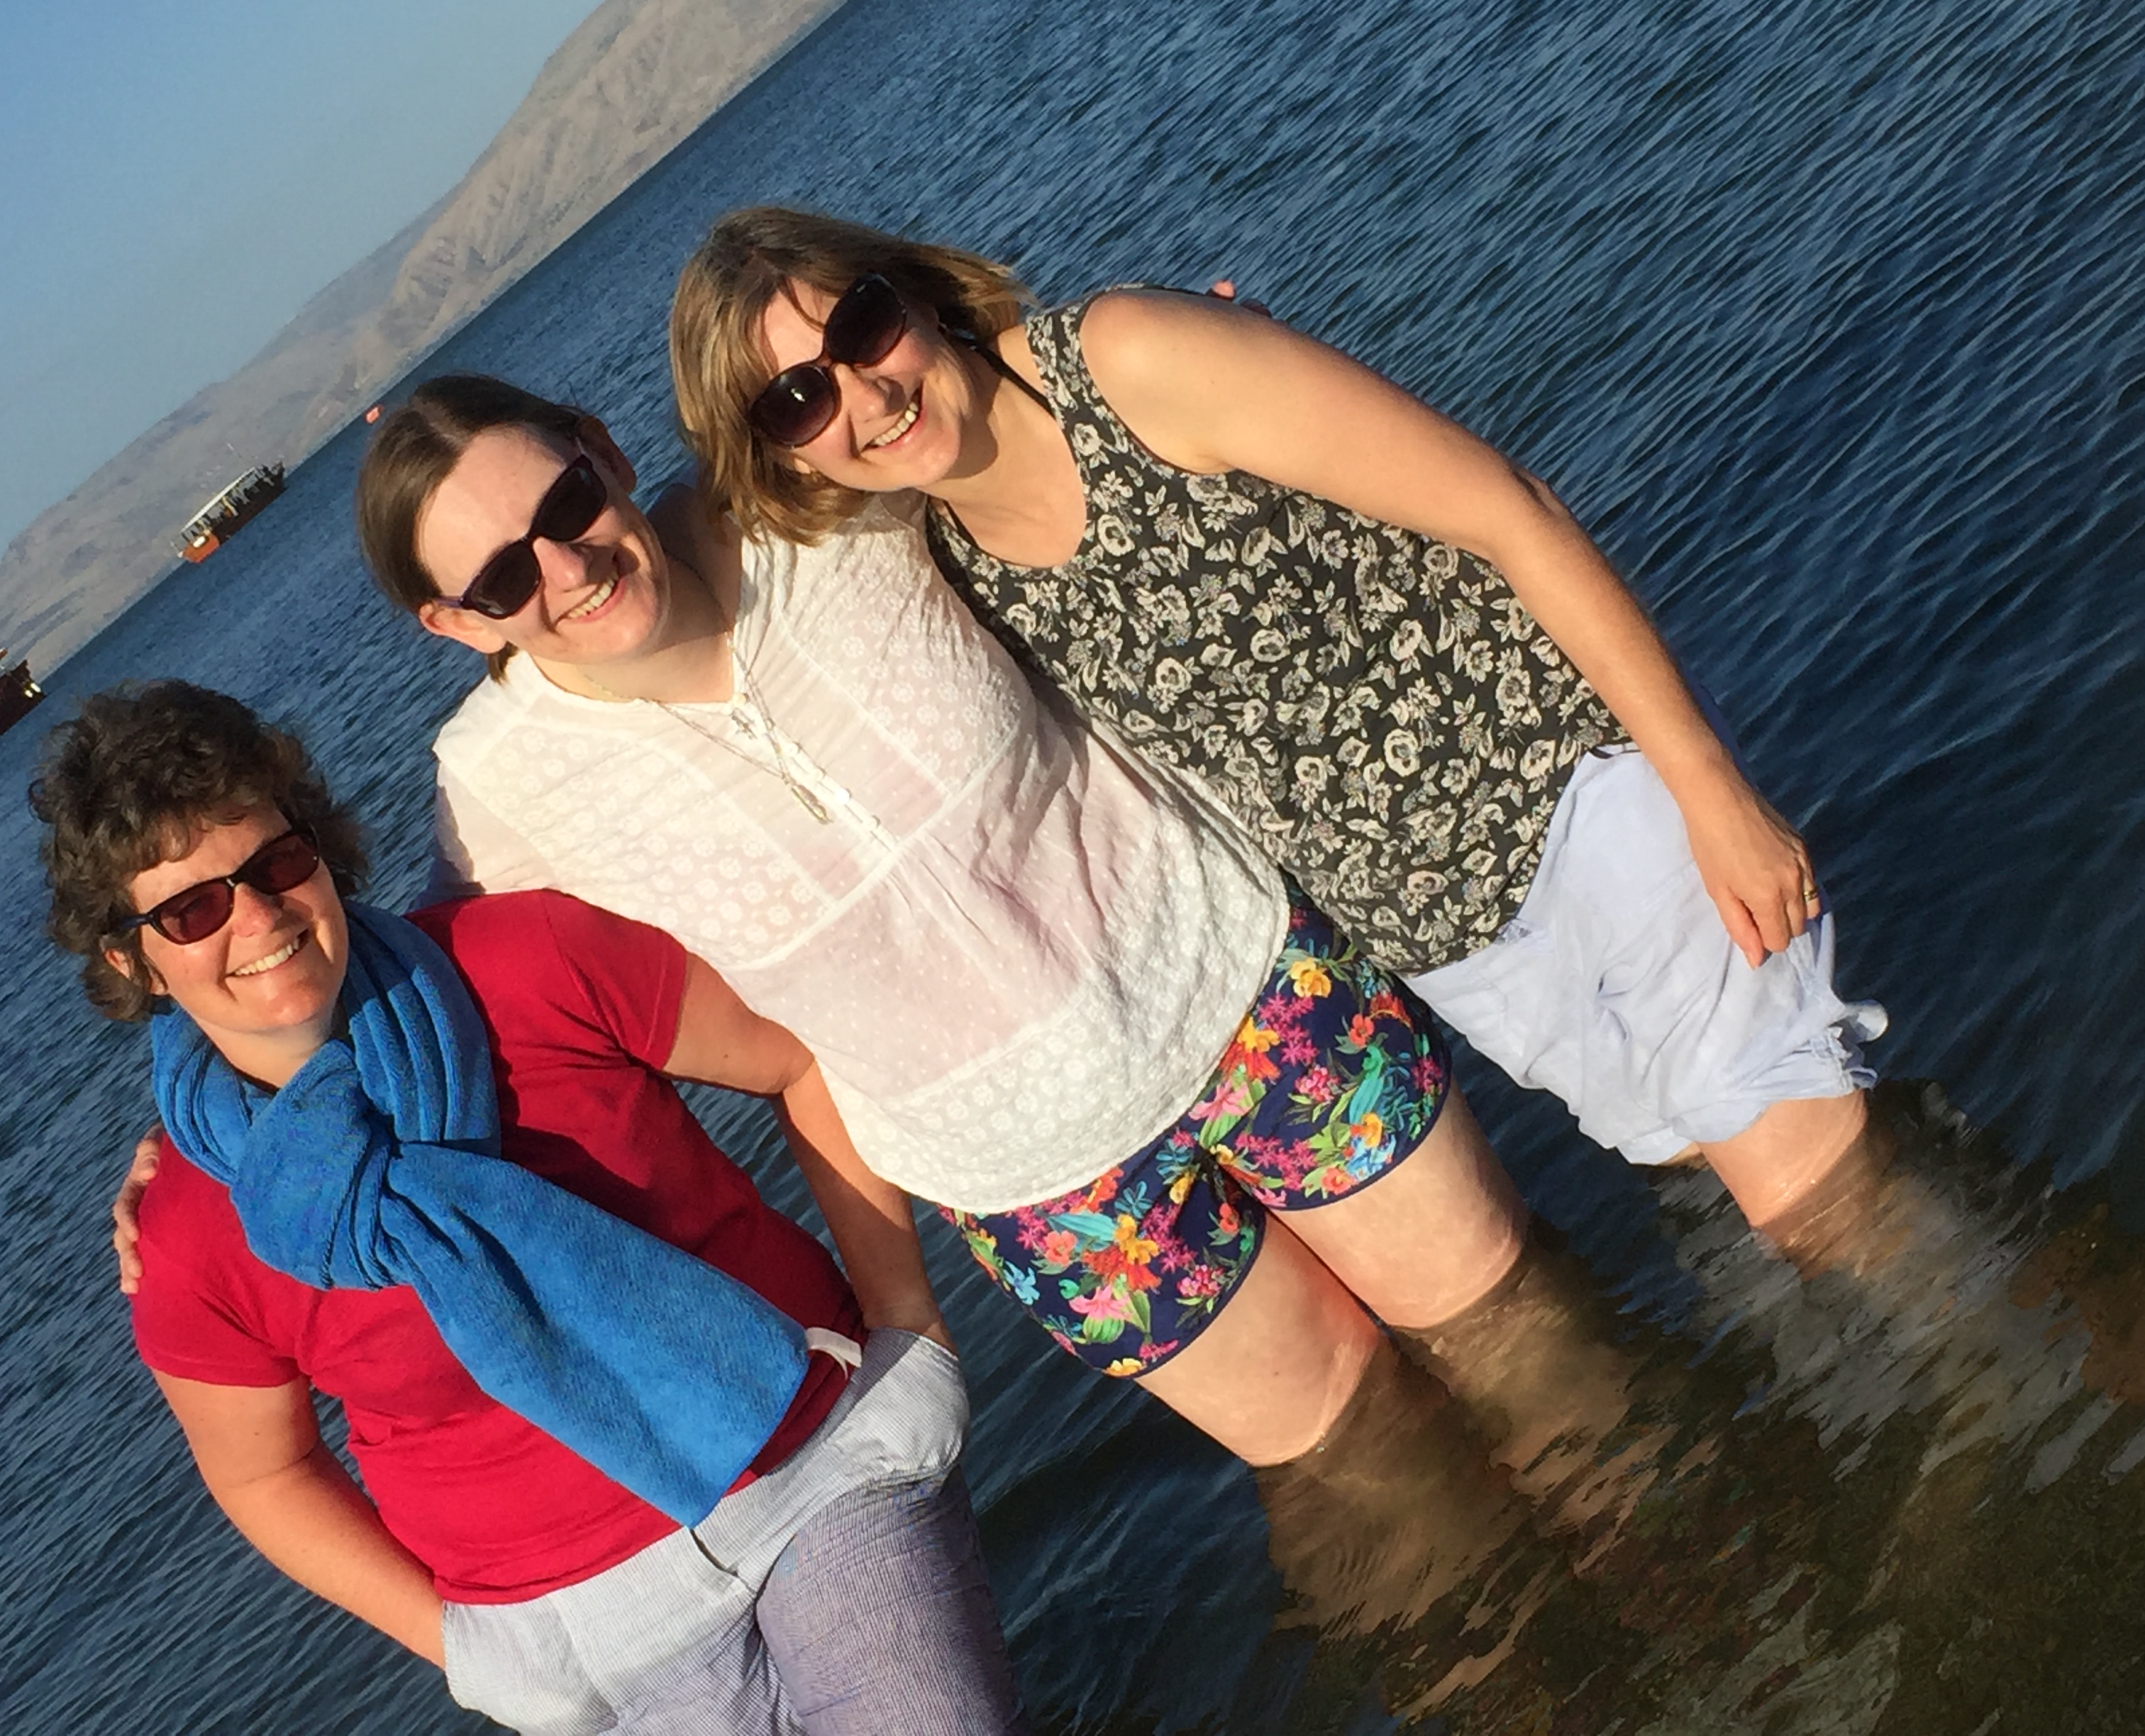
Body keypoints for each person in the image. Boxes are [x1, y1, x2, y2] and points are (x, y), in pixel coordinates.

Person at [331, 371, 1575, 1474]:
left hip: (1244, 991)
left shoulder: (806, 509)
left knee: (1544, 1364)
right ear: (458, 624)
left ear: (600, 448)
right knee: (1378, 1480)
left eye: (567, 505)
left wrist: (1210, 382)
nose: (567, 568)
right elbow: (398, 994)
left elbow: (1021, 433)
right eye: (503, 577)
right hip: (1043, 1185)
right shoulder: (498, 788)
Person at [665, 208, 1888, 1245]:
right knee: (1755, 1208)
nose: (868, 392)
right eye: (799, 398)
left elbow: (1511, 511)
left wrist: (1710, 794)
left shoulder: (1129, 360)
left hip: (1578, 797)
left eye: (864, 326)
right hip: (1453, 948)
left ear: (917, 296)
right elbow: (707, 547)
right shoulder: (949, 565)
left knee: (1829, 1222)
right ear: (785, 454)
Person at [38, 680, 1025, 1736]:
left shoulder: (519, 962)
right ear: (132, 959)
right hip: (582, 1633)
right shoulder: (189, 1232)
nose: (259, 917)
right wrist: (469, 1652)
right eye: (192, 911)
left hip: (812, 1462)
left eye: (277, 863)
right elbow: (265, 1472)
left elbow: (798, 1057)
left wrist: (907, 1316)